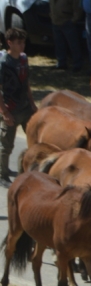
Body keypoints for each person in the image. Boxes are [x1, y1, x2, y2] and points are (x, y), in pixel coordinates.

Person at [1, 28, 35, 184]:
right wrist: (4, 112)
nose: (22, 45)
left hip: (25, 108)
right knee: (6, 145)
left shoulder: (24, 59)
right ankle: (2, 174)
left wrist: (33, 104)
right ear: (9, 43)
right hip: (11, 110)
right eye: (18, 42)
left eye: (23, 42)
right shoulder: (3, 63)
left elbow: (26, 82)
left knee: (34, 140)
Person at [48, 0, 85, 72]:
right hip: (56, 22)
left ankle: (77, 64)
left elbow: (77, 7)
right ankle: (61, 63)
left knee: (73, 45)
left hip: (68, 22)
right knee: (59, 44)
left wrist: (73, 21)